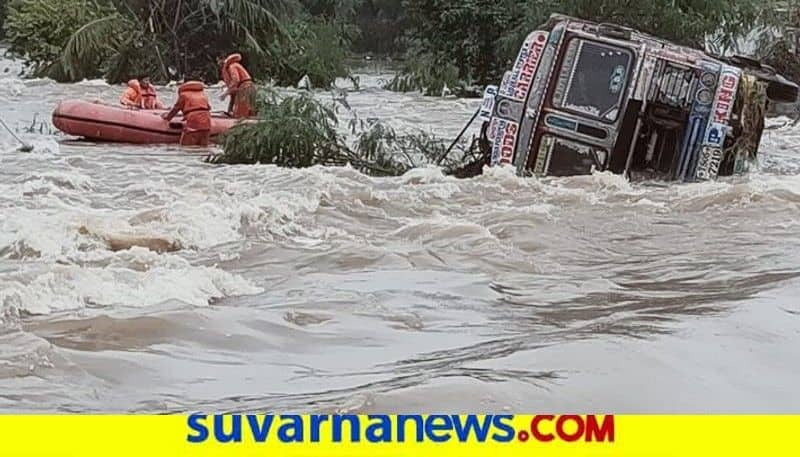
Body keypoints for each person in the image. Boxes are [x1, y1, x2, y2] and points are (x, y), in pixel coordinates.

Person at [161, 79, 211, 147]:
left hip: (193, 119)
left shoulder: (183, 95)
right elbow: (208, 107)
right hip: (207, 120)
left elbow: (176, 108)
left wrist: (167, 117)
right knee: (204, 146)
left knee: (186, 146)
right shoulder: (203, 94)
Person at [219, 53, 256, 118]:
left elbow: (236, 80)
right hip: (249, 86)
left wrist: (225, 93)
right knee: (250, 110)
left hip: (245, 87)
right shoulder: (235, 65)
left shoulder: (232, 66)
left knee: (241, 113)